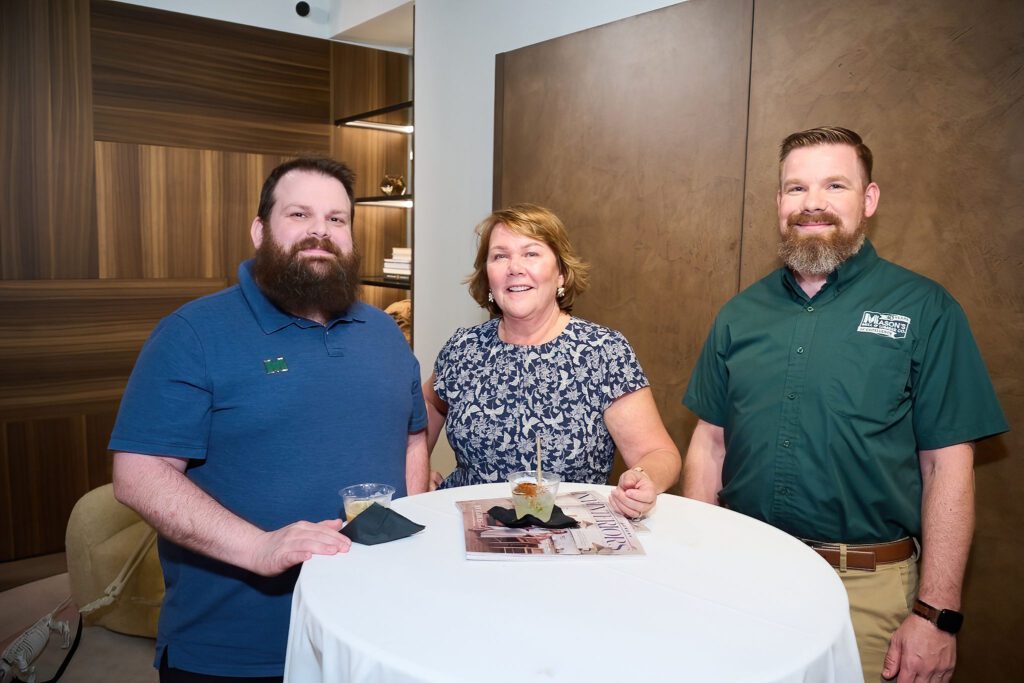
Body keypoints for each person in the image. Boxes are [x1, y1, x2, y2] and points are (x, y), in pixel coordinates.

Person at [681, 127, 1008, 682]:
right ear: (778, 203)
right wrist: (700, 565)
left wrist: (935, 615)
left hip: (867, 595)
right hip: (744, 575)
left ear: (869, 199)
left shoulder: (925, 308)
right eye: (795, 188)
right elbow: (709, 446)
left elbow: (948, 466)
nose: (813, 203)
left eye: (835, 185)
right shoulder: (739, 314)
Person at [109, 157, 429, 682]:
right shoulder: (192, 333)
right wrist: (260, 546)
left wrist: (405, 541)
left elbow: (413, 437)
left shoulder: (383, 331)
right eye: (299, 214)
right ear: (260, 229)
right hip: (237, 646)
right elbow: (139, 474)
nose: (319, 232)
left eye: (336, 219)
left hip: (371, 626)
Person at [423, 204, 680, 519]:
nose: (514, 267)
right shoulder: (463, 349)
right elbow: (428, 406)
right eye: (500, 256)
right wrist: (417, 466)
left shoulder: (602, 352)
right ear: (487, 276)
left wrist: (645, 478)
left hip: (566, 539)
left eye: (531, 253)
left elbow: (659, 453)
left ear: (561, 272)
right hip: (469, 533)